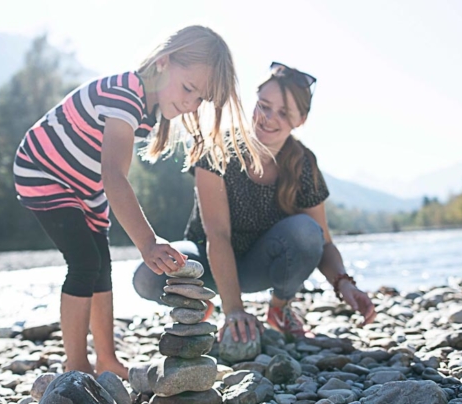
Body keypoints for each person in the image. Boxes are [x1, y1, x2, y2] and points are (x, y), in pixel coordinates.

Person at [12, 26, 262, 378]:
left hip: (86, 185)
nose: (191, 103)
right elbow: (114, 175)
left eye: (199, 99)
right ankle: (76, 366)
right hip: (45, 171)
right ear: (163, 63)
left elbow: (105, 177)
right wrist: (147, 242)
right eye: (189, 89)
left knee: (102, 267)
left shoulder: (148, 110)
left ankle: (107, 360)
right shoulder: (125, 95)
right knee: (83, 261)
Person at [133, 62, 377, 342]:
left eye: (284, 113)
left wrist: (343, 283)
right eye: (264, 105)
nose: (269, 118)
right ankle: (199, 301)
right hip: (208, 260)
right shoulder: (217, 149)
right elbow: (218, 235)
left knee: (308, 231)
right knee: (146, 277)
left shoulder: (303, 163)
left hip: (261, 266)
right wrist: (234, 310)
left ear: (301, 120)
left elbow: (323, 242)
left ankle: (279, 309)